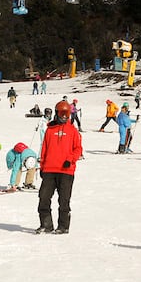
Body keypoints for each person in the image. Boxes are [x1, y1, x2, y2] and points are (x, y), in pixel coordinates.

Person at [36, 100, 83, 234]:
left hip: (66, 171)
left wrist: (70, 159)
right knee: (43, 198)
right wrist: (42, 167)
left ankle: (63, 226)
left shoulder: (73, 131)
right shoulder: (49, 130)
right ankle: (46, 224)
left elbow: (78, 149)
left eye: (66, 113)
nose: (64, 116)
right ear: (56, 113)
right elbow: (44, 149)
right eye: (62, 113)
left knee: (64, 200)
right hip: (49, 170)